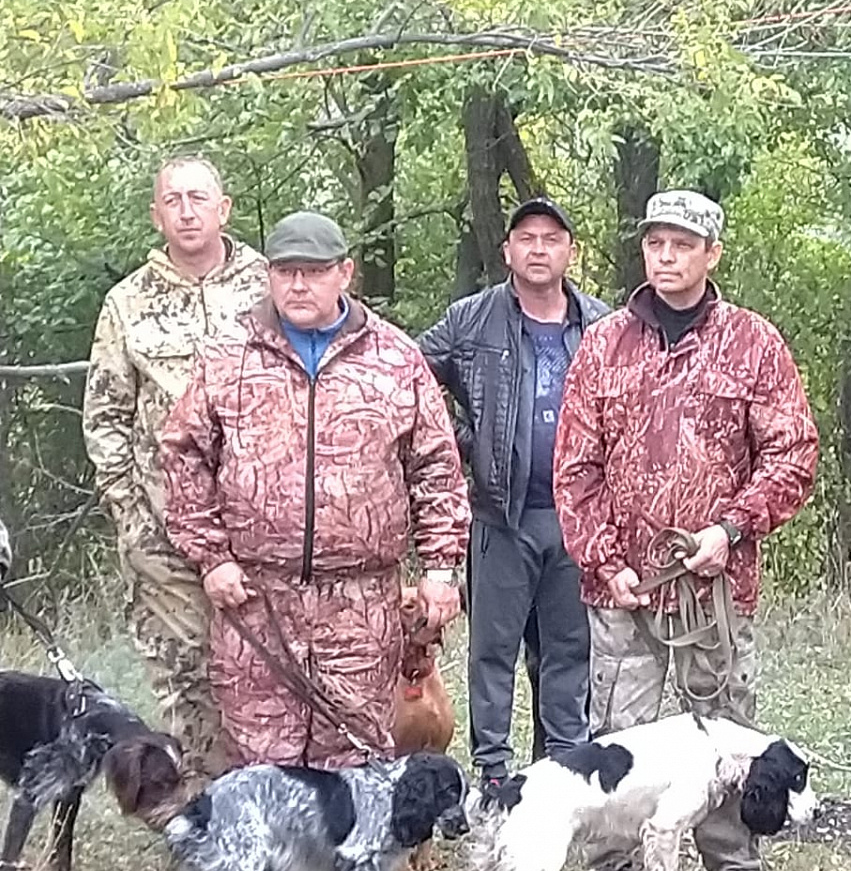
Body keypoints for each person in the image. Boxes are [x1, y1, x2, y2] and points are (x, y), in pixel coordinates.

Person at [553, 189, 818, 871]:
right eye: (655, 244)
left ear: (711, 254)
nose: (666, 257)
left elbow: (792, 454)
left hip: (715, 586)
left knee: (729, 728)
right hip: (625, 586)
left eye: (682, 245)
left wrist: (729, 530)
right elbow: (574, 466)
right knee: (615, 731)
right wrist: (607, 562)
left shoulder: (754, 342)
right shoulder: (604, 343)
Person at [161, 211, 469, 768]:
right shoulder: (228, 355)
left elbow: (437, 468)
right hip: (256, 600)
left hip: (361, 605)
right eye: (286, 272)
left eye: (314, 272)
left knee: (354, 764)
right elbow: (183, 456)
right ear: (269, 277)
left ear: (345, 274)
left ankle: (349, 860)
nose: (298, 285)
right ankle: (270, 861)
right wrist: (211, 558)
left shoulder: (395, 359)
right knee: (263, 770)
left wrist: (441, 571)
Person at [83, 156, 268, 789]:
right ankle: (208, 835)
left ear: (225, 208)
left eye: (198, 198)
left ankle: (280, 826)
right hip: (164, 540)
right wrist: (130, 519)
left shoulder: (270, 287)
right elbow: (105, 417)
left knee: (268, 677)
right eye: (173, 200)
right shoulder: (128, 303)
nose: (186, 211)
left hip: (259, 533)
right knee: (189, 684)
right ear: (156, 214)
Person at [419, 198, 608, 793]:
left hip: (577, 518)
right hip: (502, 515)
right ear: (507, 250)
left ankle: (562, 774)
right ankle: (494, 776)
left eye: (551, 238)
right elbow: (410, 375)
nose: (538, 249)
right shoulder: (471, 320)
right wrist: (463, 439)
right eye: (526, 238)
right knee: (492, 653)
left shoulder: (602, 324)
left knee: (568, 652)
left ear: (569, 252)